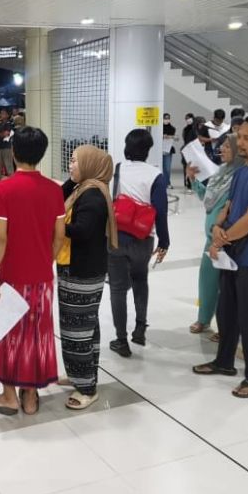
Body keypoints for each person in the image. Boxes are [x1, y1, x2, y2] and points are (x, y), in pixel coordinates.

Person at [0, 127, 65, 416]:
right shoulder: (54, 189)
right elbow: (59, 236)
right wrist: (45, 260)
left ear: (13, 152)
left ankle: (9, 396)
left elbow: (0, 239)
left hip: (12, 278)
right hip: (42, 280)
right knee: (37, 335)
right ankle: (31, 398)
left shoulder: (3, 190)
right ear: (42, 153)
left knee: (6, 334)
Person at [193, 115, 248, 399]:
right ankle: (224, 361)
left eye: (247, 138)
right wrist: (218, 227)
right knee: (227, 311)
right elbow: (229, 207)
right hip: (231, 255)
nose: (240, 143)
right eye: (239, 137)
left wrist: (222, 237)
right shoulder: (242, 171)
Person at [57, 146, 117, 409]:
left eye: (75, 161)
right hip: (74, 268)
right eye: (71, 160)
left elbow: (82, 231)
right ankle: (79, 375)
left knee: (78, 332)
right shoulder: (82, 188)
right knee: (83, 327)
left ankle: (86, 388)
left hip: (82, 273)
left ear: (90, 165)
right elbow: (58, 197)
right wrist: (72, 179)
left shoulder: (92, 196)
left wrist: (55, 225)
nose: (70, 165)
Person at [107, 128, 170, 357]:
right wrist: (164, 241)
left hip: (118, 236)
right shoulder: (156, 175)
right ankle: (140, 329)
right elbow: (161, 211)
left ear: (127, 146)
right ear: (148, 149)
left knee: (117, 288)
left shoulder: (118, 169)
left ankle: (121, 340)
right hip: (144, 238)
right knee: (140, 279)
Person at [187, 134, 239, 338]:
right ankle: (204, 319)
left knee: (226, 286)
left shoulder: (240, 176)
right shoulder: (220, 173)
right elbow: (206, 199)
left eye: (227, 147)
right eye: (222, 146)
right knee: (207, 280)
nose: (222, 150)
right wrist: (193, 179)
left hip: (228, 239)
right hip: (211, 239)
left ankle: (226, 327)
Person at [0, 109, 16, 180]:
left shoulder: (8, 123)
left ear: (7, 115)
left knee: (8, 165)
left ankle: (12, 180)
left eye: (3, 113)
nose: (1, 115)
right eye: (1, 113)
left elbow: (6, 134)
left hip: (6, 146)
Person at [161, 113, 178, 188]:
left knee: (167, 167)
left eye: (168, 118)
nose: (166, 120)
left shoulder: (172, 128)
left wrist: (168, 136)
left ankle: (167, 183)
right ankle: (162, 182)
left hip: (168, 149)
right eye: (165, 118)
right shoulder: (159, 127)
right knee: (160, 167)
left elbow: (173, 137)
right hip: (159, 149)